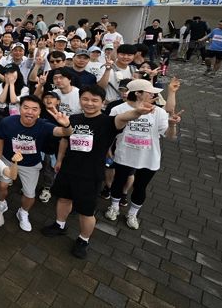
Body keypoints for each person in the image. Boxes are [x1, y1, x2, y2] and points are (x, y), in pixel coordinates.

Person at [41, 84, 157, 259]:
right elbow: (65, 139)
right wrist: (59, 160)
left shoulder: (109, 122)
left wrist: (138, 111)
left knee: (86, 211)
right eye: (85, 99)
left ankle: (83, 240)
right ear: (79, 100)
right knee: (64, 198)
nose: (89, 103)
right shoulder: (73, 118)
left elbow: (125, 116)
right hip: (68, 169)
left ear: (102, 102)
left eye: (95, 100)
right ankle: (59, 225)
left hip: (90, 174)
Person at [105, 79, 180, 229]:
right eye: (150, 92)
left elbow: (170, 136)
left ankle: (133, 214)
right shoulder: (118, 109)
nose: (154, 95)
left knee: (140, 187)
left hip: (149, 158)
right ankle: (114, 207)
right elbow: (110, 133)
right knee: (118, 182)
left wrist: (172, 125)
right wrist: (107, 150)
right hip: (124, 155)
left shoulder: (158, 111)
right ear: (138, 93)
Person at [0, 95, 73, 231]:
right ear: (20, 109)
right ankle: (1, 202)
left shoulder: (43, 125)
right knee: (2, 185)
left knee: (30, 194)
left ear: (40, 112)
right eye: (26, 108)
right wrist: (0, 158)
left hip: (31, 164)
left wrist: (66, 125)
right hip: (8, 160)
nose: (29, 112)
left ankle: (23, 212)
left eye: (34, 109)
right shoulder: (7, 122)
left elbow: (64, 133)